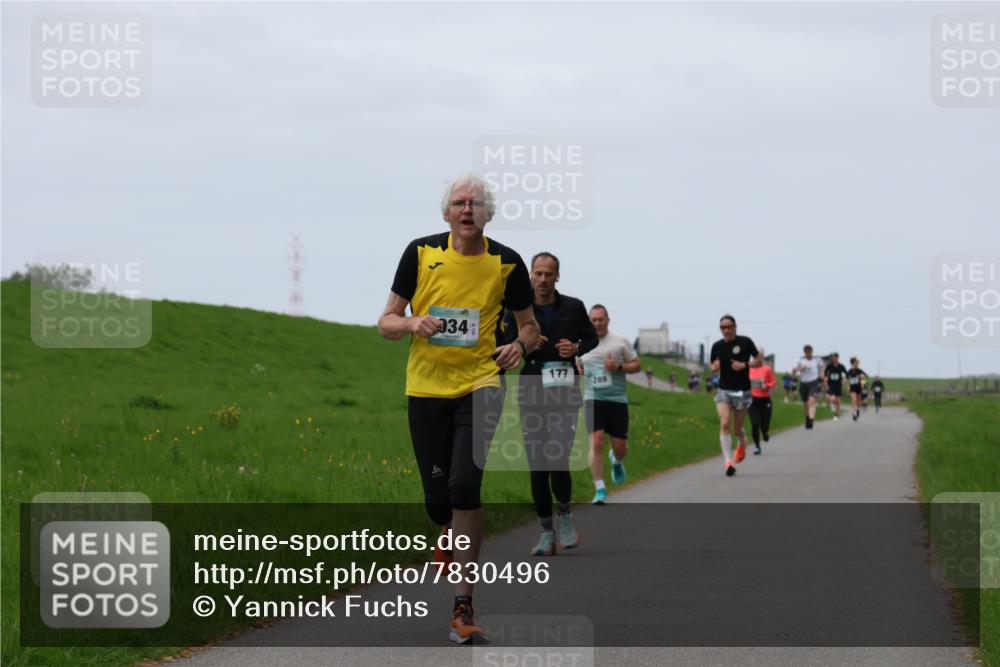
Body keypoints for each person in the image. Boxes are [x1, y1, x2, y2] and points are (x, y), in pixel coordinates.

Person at [377, 174, 539, 644]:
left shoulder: (507, 262)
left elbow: (530, 327)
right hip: (426, 388)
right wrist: (412, 323)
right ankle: (446, 529)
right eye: (460, 202)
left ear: (489, 213)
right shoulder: (420, 253)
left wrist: (519, 347)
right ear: (446, 212)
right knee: (438, 502)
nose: (468, 209)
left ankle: (462, 605)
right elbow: (385, 322)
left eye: (477, 203)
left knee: (465, 485)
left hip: (482, 383)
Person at [504, 252, 598, 557]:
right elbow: (504, 339)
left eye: (548, 274)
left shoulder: (573, 306)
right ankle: (546, 532)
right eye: (538, 273)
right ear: (531, 275)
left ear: (557, 276)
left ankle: (566, 516)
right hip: (531, 391)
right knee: (537, 465)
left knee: (557, 457)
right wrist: (524, 345)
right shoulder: (517, 308)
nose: (543, 279)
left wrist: (576, 348)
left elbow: (592, 339)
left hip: (564, 391)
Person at [578, 304, 641, 503]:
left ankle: (616, 459)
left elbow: (637, 365)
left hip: (617, 400)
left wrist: (619, 366)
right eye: (594, 320)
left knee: (620, 448)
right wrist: (578, 371)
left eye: (601, 319)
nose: (597, 323)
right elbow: (576, 366)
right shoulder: (581, 344)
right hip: (592, 399)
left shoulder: (620, 342)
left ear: (608, 320)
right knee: (596, 441)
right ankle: (600, 489)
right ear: (589, 322)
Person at [710, 314, 762, 476]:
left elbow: (759, 361)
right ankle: (728, 462)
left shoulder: (745, 342)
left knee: (736, 429)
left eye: (729, 327)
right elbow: (712, 365)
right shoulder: (716, 346)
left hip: (742, 391)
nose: (726, 330)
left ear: (735, 327)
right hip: (724, 390)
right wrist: (714, 367)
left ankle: (742, 440)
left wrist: (744, 365)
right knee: (725, 423)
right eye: (723, 327)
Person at [748, 349, 777, 455]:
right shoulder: (748, 369)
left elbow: (773, 382)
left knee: (764, 425)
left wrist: (767, 385)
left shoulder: (767, 369)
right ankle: (757, 446)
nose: (757, 358)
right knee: (755, 424)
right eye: (755, 356)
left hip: (765, 400)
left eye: (759, 356)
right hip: (752, 401)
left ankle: (764, 432)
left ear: (762, 357)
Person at [792, 344, 824, 429]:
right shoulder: (800, 359)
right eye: (806, 351)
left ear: (812, 351)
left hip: (814, 382)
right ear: (804, 352)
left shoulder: (817, 359)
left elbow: (822, 366)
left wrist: (821, 373)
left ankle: (811, 419)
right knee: (806, 403)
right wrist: (799, 369)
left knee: (811, 401)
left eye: (810, 351)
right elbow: (793, 370)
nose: (808, 353)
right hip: (803, 383)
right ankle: (807, 417)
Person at [823, 353, 848, 421]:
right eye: (834, 358)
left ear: (838, 358)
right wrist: (825, 378)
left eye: (836, 357)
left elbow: (846, 373)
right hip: (831, 384)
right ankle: (832, 405)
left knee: (838, 401)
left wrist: (845, 379)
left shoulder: (841, 366)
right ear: (832, 358)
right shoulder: (829, 365)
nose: (835, 359)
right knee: (832, 398)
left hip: (838, 385)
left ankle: (836, 415)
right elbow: (825, 372)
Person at [847, 357, 869, 421]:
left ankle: (857, 410)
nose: (857, 364)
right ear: (853, 363)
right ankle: (854, 414)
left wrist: (862, 378)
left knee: (858, 402)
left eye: (858, 363)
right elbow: (847, 378)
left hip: (859, 387)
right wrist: (848, 384)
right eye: (856, 363)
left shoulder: (860, 370)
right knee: (854, 400)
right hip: (852, 388)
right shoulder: (850, 371)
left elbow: (866, 376)